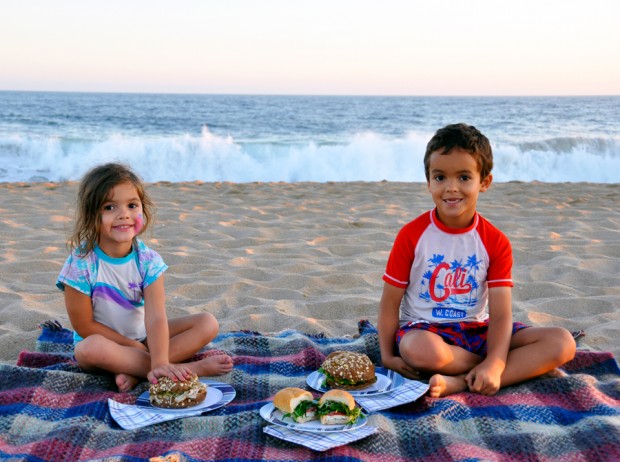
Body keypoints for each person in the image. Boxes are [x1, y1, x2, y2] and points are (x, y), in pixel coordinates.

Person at [378, 123, 576, 398]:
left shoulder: (494, 241)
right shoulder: (411, 235)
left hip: (477, 332)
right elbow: (390, 302)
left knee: (562, 342)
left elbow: (502, 314)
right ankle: (512, 369)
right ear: (428, 182)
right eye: (440, 178)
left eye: (463, 177)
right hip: (424, 331)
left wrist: (495, 360)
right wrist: (387, 356)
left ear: (484, 182)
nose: (451, 188)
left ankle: (462, 381)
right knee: (418, 350)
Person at [57, 163, 233, 392]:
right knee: (88, 349)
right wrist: (132, 347)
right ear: (92, 215)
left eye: (132, 205)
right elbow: (83, 326)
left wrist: (157, 359)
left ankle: (144, 370)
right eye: (110, 207)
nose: (124, 215)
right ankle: (190, 369)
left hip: (143, 339)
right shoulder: (81, 264)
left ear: (142, 210)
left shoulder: (148, 261)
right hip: (105, 345)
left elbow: (156, 318)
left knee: (207, 322)